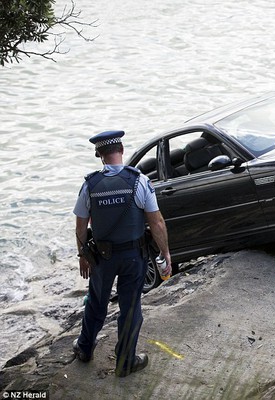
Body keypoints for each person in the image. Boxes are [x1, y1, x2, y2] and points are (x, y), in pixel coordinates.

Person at [72, 130, 171, 377]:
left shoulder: (90, 185)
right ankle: (125, 362)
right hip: (133, 258)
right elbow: (156, 222)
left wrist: (83, 255)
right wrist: (165, 253)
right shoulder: (140, 181)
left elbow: (80, 226)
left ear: (99, 155)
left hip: (102, 259)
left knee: (96, 303)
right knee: (130, 307)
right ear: (122, 150)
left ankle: (84, 349)